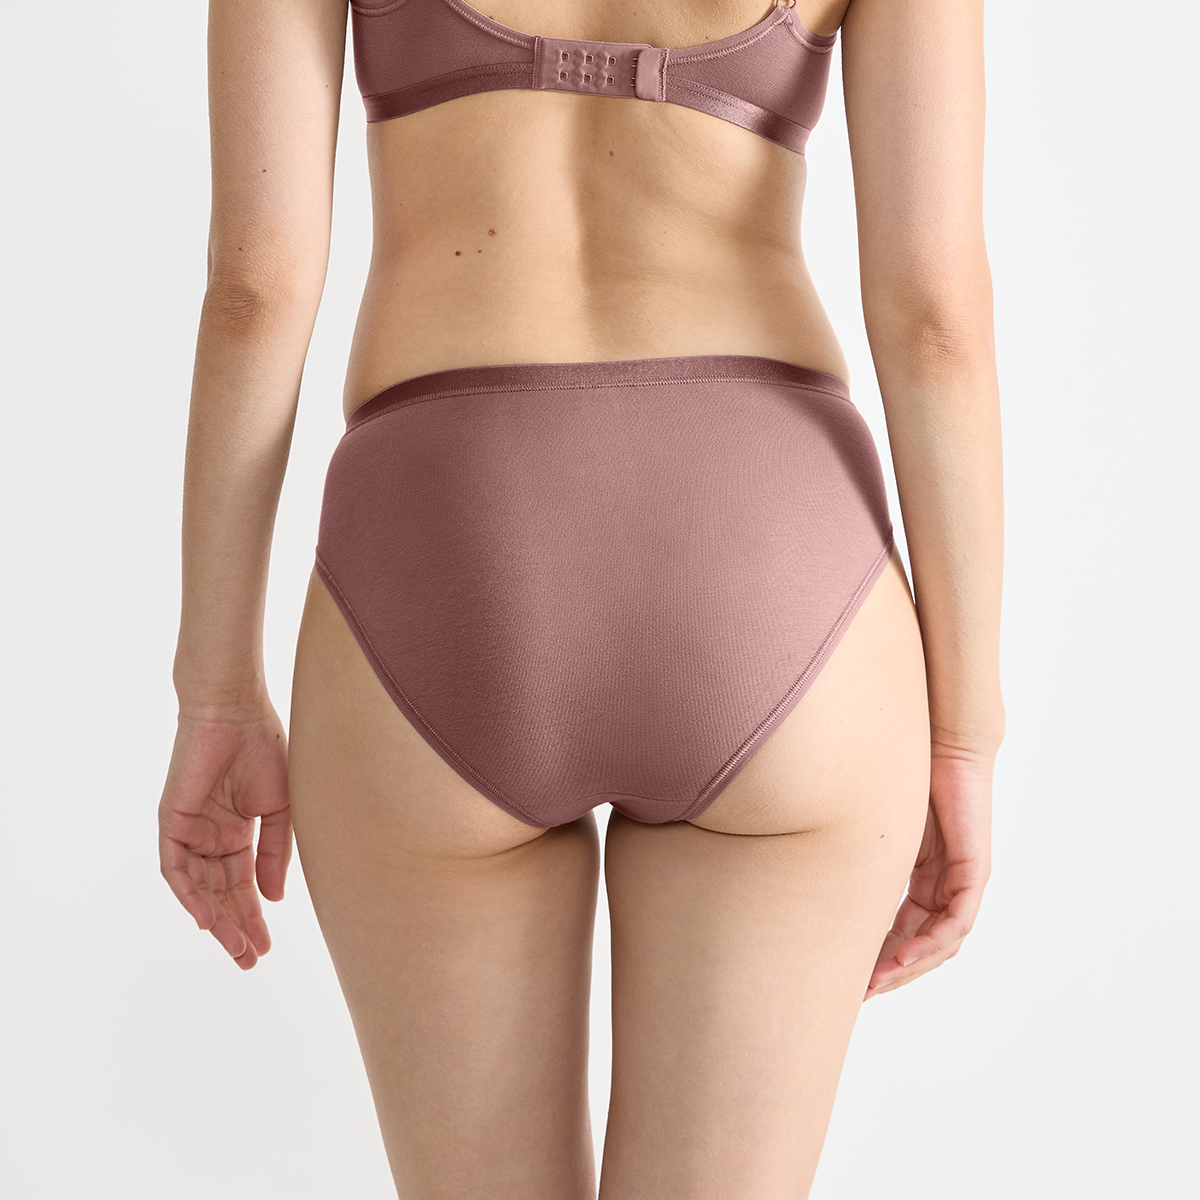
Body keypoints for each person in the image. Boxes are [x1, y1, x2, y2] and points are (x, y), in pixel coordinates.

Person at [157, 0, 1003, 1194]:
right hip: (771, 561)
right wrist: (964, 734)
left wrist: (215, 689)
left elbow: (253, 287)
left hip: (447, 546)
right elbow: (935, 319)